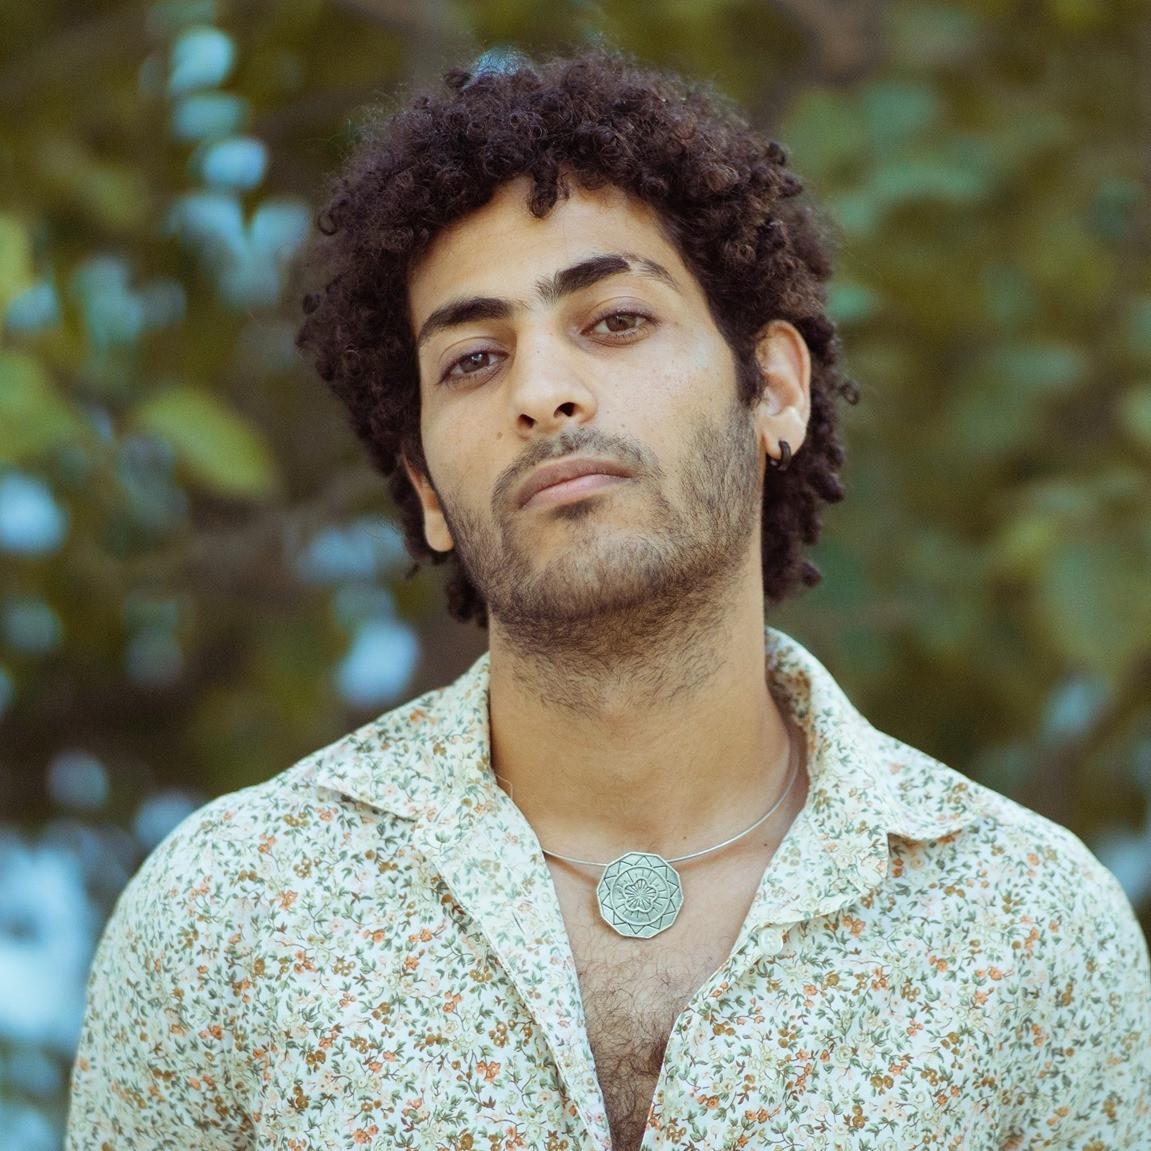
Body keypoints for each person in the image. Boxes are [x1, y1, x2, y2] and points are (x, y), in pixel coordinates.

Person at [67, 51, 1150, 1151]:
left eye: (615, 320)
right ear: (427, 489)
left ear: (773, 389)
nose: (542, 392)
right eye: (474, 358)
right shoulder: (232, 910)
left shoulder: (1027, 926)